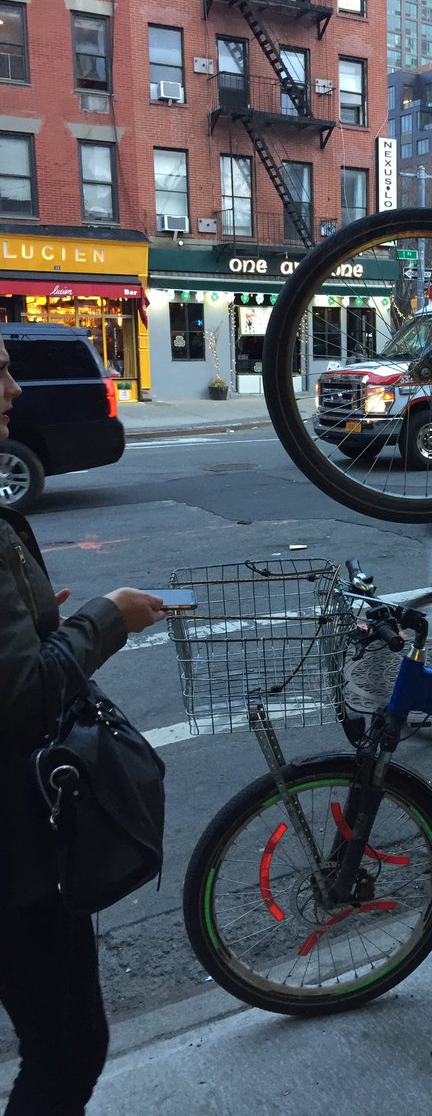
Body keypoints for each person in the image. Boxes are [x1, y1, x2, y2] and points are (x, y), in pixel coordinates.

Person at [0, 333, 166, 1115]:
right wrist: (109, 619)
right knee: (66, 1047)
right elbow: (24, 695)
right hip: (14, 856)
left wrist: (37, 624)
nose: (13, 389)